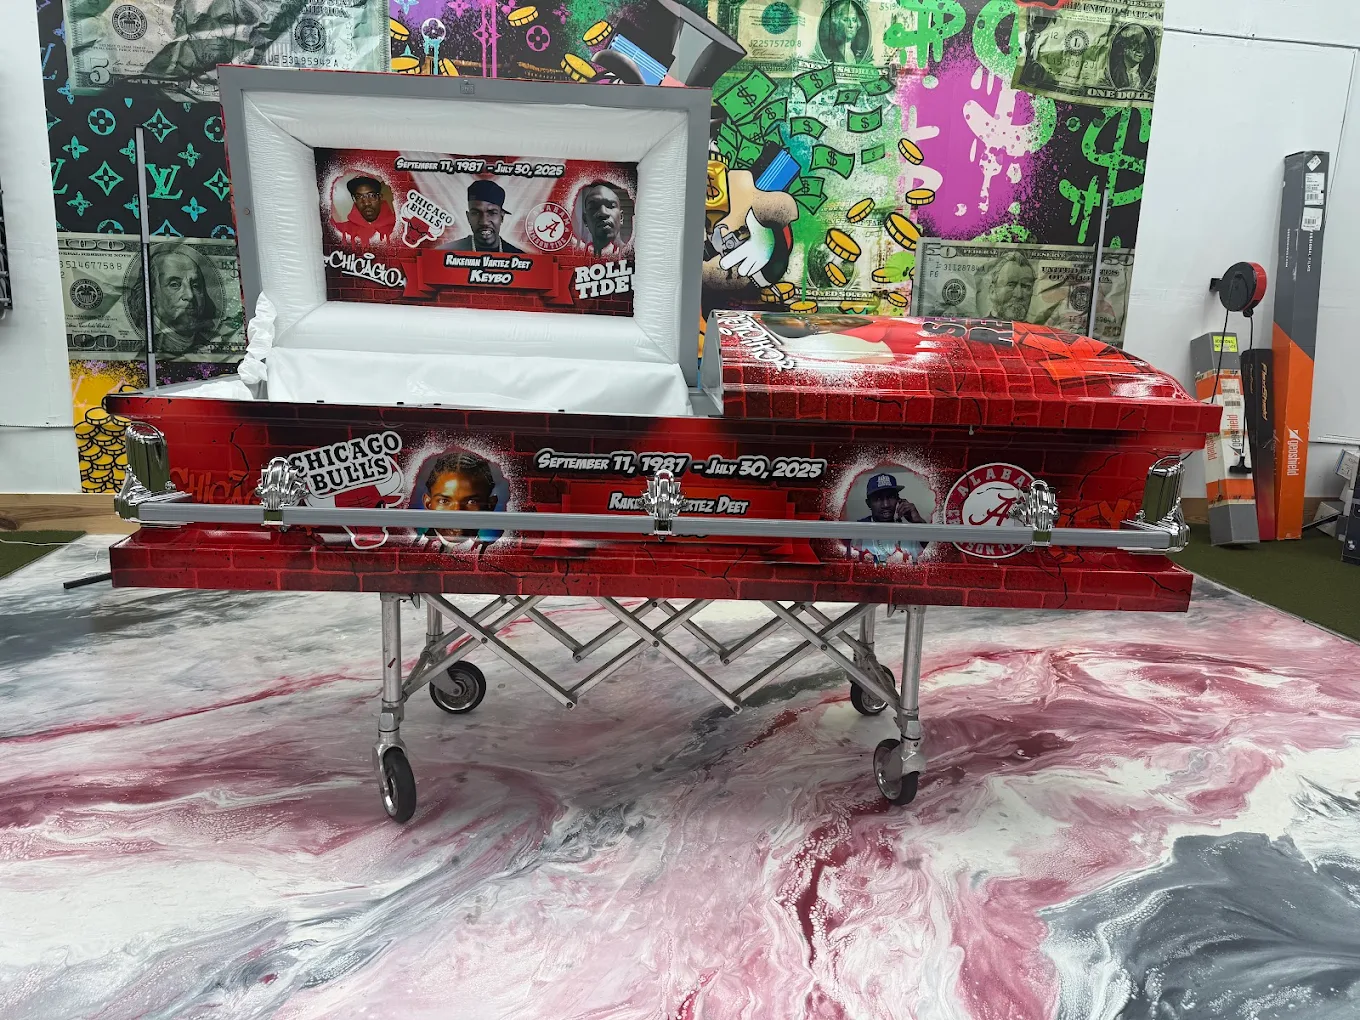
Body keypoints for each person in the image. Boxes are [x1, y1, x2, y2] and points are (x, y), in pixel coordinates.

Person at [419, 451, 501, 551]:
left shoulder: (499, 552)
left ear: (490, 505)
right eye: (444, 501)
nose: (457, 512)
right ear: (428, 504)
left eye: (471, 502)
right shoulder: (411, 549)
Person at [848, 472, 928, 565]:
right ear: (868, 503)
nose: (886, 505)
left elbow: (929, 552)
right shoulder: (858, 531)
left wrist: (919, 521)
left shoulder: (907, 531)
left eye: (891, 497)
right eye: (878, 498)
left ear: (898, 499)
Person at [150, 246, 217, 355]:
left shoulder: (211, 345)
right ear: (152, 294)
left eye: (195, 285)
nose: (190, 295)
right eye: (174, 285)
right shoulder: (142, 351)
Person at [447, 179, 524, 253]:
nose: (484, 222)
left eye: (492, 213)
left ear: (502, 217)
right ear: (468, 217)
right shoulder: (449, 251)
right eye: (476, 213)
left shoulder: (518, 256)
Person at [332, 174, 397, 247]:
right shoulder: (342, 231)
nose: (366, 203)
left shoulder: (398, 228)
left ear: (380, 197)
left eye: (372, 195)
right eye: (359, 196)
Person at [980, 251, 1037, 322]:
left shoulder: (1039, 329)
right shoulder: (977, 328)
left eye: (1025, 287)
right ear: (992, 291)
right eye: (1011, 285)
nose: (1019, 295)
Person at [578, 181, 627, 255]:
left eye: (611, 206)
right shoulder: (579, 255)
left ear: (621, 217)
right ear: (585, 220)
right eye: (593, 207)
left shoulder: (632, 255)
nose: (603, 212)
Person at [818, 0, 870, 64]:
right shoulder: (829, 53)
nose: (851, 25)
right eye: (846, 20)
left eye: (854, 20)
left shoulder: (858, 54)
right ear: (837, 23)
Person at [1109, 23, 1157, 90]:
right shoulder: (1113, 74)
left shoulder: (1145, 79)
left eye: (1143, 45)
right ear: (1124, 45)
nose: (1140, 50)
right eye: (1135, 43)